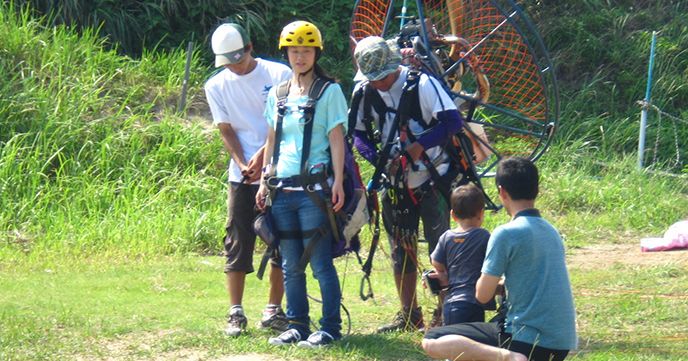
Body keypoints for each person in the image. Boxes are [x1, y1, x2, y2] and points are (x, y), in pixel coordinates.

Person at [350, 36, 463, 332]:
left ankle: (446, 312)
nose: (380, 84)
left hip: (434, 178)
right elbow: (359, 134)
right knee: (401, 248)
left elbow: (452, 122)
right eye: (373, 79)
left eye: (384, 77)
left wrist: (417, 148)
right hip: (396, 183)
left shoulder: (422, 84)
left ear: (394, 67)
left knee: (443, 248)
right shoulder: (364, 91)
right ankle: (409, 315)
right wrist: (378, 159)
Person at [422, 157, 577, 361]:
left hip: (525, 339)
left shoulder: (505, 233)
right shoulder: (551, 231)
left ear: (502, 192)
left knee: (432, 339)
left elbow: (482, 295)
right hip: (560, 342)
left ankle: (508, 357)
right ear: (537, 190)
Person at [256, 20, 347, 348]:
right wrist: (264, 179)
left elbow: (337, 137)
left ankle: (330, 327)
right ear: (286, 53)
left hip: (313, 192)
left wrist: (337, 180)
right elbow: (272, 137)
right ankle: (297, 324)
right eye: (294, 51)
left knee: (321, 263)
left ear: (315, 53)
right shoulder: (279, 94)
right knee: (291, 264)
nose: (300, 57)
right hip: (282, 190)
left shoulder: (329, 91)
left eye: (306, 51)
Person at [204, 22, 291, 337]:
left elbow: (282, 122)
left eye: (238, 60)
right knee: (237, 241)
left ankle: (273, 310)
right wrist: (242, 163)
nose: (235, 68)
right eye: (228, 62)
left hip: (280, 169)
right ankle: (235, 311)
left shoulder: (279, 74)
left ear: (250, 48)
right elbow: (225, 129)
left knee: (280, 238)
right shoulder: (216, 85)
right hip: (240, 176)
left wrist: (261, 158)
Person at [428, 183, 493, 326]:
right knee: (472, 343)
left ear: (452, 215)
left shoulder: (446, 237)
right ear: (481, 213)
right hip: (475, 302)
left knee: (453, 343)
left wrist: (445, 273)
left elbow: (435, 262)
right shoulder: (483, 236)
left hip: (451, 303)